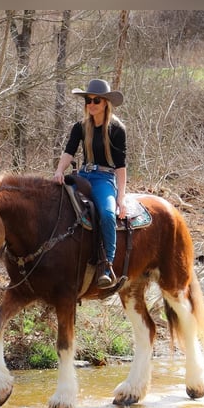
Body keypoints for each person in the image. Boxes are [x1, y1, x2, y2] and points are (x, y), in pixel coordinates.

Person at [54, 79, 127, 289]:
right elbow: (69, 151)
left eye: (95, 100)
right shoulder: (80, 127)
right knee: (57, 204)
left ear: (105, 103)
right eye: (88, 100)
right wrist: (59, 171)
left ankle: (107, 265)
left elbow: (121, 166)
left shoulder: (116, 129)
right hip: (83, 176)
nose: (91, 104)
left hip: (104, 179)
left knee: (106, 214)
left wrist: (121, 198)